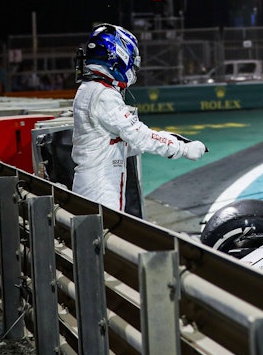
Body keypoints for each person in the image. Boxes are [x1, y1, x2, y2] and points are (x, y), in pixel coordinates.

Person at [72, 23, 207, 214]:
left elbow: (111, 143)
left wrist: (166, 137)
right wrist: (183, 149)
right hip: (101, 190)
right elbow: (139, 136)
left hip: (92, 184)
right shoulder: (104, 94)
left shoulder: (89, 89)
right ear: (118, 55)